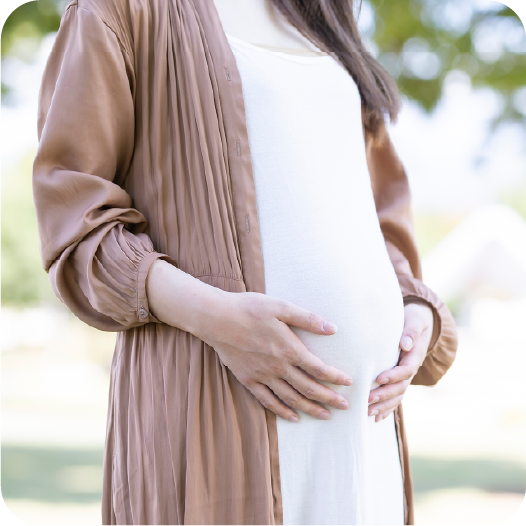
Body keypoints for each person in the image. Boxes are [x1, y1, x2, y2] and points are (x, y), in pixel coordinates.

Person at [32, 0, 458, 524]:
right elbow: (75, 223)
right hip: (217, 411)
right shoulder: (120, 10)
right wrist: (213, 316)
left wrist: (413, 306)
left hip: (364, 435)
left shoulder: (330, 14)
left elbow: (375, 218)